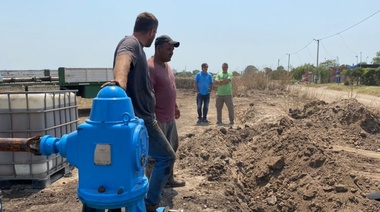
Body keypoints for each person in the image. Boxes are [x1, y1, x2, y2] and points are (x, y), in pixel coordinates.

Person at [95, 12, 176, 212]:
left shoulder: (138, 47)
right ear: (151, 31)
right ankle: (150, 204)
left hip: (142, 118)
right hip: (142, 120)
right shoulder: (130, 44)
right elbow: (124, 59)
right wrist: (119, 83)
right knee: (166, 157)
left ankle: (127, 202)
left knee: (129, 165)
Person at [147, 35, 186, 188]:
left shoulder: (166, 66)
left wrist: (175, 105)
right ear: (158, 48)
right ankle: (152, 187)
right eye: (169, 49)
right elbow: (148, 95)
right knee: (156, 155)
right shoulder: (150, 67)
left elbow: (169, 88)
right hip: (158, 119)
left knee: (172, 148)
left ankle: (168, 179)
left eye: (173, 50)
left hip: (169, 117)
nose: (172, 52)